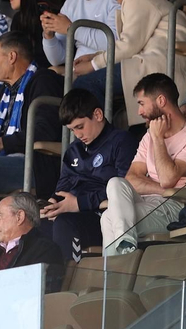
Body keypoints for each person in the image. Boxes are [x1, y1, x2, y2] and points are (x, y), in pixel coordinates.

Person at [74, 0, 186, 128]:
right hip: (164, 63)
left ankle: (100, 143)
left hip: (161, 65)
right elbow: (132, 43)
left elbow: (128, 46)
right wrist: (97, 55)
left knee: (85, 82)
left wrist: (93, 64)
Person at [101, 72, 186, 255]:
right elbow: (131, 178)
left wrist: (158, 138)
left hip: (178, 207)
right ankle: (125, 244)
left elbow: (168, 178)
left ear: (161, 101)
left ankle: (115, 274)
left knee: (108, 217)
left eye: (142, 103)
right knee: (115, 182)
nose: (139, 112)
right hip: (150, 201)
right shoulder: (148, 137)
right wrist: (162, 189)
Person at [38, 88, 136, 260]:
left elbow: (125, 187)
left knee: (64, 224)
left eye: (80, 127)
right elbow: (63, 186)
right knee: (38, 225)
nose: (78, 135)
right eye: (72, 130)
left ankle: (69, 280)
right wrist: (53, 204)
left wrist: (79, 204)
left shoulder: (121, 141)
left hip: (103, 215)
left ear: (98, 115)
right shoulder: (74, 149)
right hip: (74, 210)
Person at [0, 33, 64, 195]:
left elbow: (45, 131)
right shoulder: (2, 93)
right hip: (4, 161)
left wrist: (1, 144)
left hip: (35, 164)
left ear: (12, 57)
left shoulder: (44, 81)